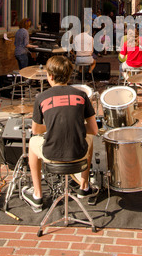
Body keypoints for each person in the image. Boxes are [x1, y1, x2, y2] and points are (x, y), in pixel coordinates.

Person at [22, 56, 99, 211]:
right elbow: (94, 130)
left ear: (50, 76)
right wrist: (76, 126)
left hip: (51, 154)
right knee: (89, 138)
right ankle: (84, 187)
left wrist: (52, 128)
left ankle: (37, 195)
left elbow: (36, 130)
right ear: (69, 75)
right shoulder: (82, 95)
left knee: (31, 143)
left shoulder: (41, 97)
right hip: (79, 154)